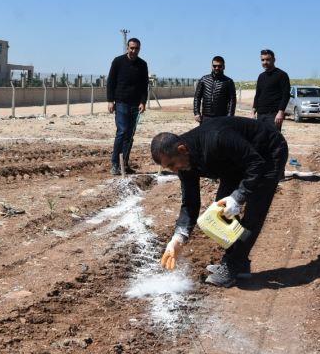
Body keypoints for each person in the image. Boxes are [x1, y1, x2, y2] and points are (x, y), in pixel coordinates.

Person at [151, 116, 288, 288]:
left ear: (182, 149)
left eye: (172, 165)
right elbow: (190, 202)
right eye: (168, 168)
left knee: (253, 214)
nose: (173, 170)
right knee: (221, 214)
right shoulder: (183, 161)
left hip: (267, 153)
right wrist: (178, 238)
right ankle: (239, 264)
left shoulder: (216, 138)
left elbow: (256, 164)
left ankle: (232, 267)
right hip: (234, 163)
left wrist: (238, 196)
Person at [106, 37, 149, 175]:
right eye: (131, 48)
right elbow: (110, 82)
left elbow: (144, 86)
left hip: (135, 105)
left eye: (136, 48)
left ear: (139, 49)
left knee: (130, 135)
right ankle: (115, 164)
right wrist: (110, 101)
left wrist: (143, 102)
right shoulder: (118, 61)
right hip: (121, 102)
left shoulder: (142, 65)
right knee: (122, 131)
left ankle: (124, 164)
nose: (133, 50)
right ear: (127, 48)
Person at [252, 49, 291, 131]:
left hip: (274, 115)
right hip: (260, 114)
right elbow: (258, 95)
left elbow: (286, 95)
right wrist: (253, 112)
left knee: (273, 141)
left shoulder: (282, 75)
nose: (265, 62)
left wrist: (280, 113)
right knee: (260, 140)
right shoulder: (261, 76)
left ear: (274, 60)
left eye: (267, 59)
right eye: (262, 60)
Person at [192, 56, 237, 123]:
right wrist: (196, 113)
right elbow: (197, 97)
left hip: (221, 118)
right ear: (211, 66)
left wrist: (230, 116)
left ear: (224, 67)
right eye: (214, 66)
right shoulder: (204, 80)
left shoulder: (228, 82)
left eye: (219, 66)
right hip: (206, 118)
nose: (217, 68)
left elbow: (232, 100)